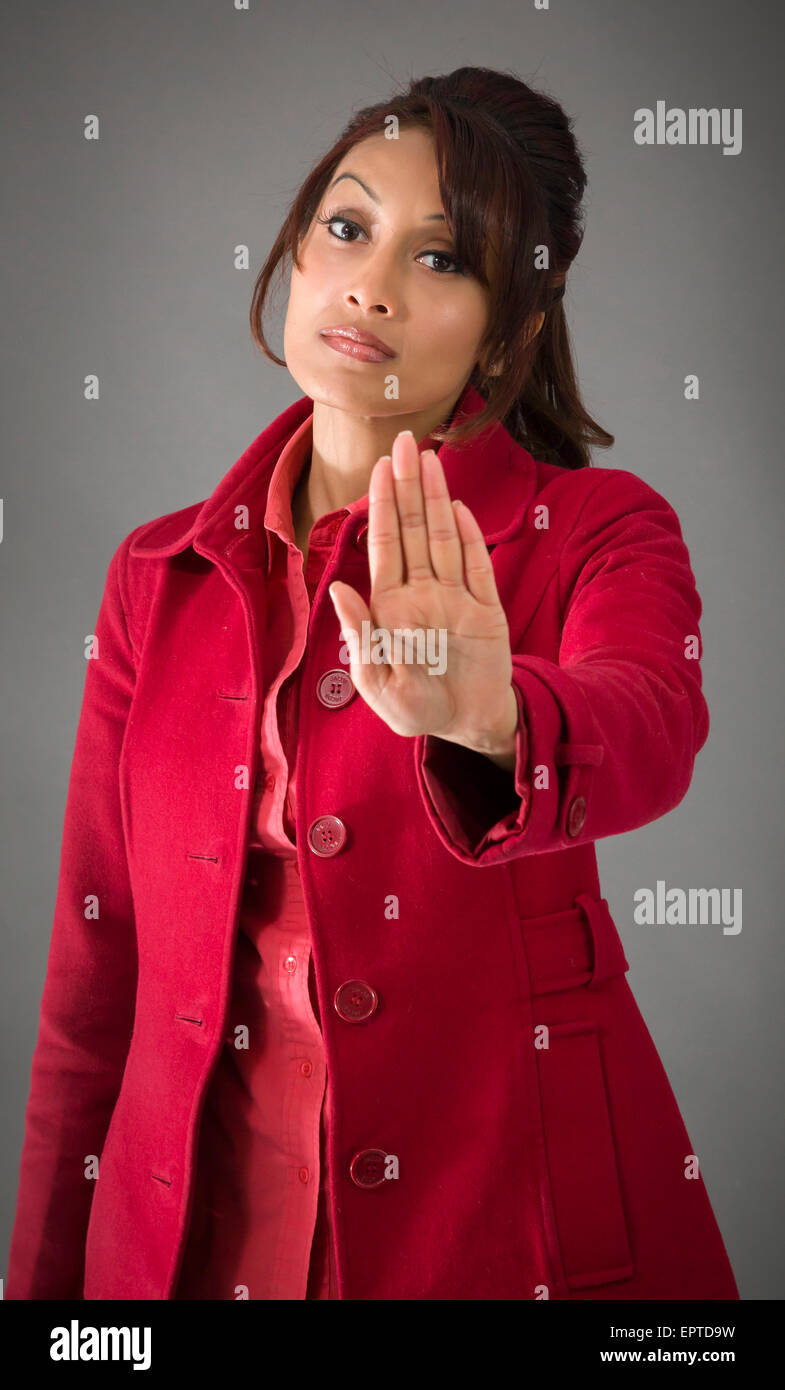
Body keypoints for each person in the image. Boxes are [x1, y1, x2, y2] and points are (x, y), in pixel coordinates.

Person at [7, 65, 739, 1300]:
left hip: (503, 1236)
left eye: (441, 260)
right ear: (297, 249)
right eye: (347, 228)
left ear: (509, 329)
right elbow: (96, 976)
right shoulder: (158, 575)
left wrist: (493, 717)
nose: (371, 282)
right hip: (187, 1245)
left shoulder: (596, 530)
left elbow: (653, 718)